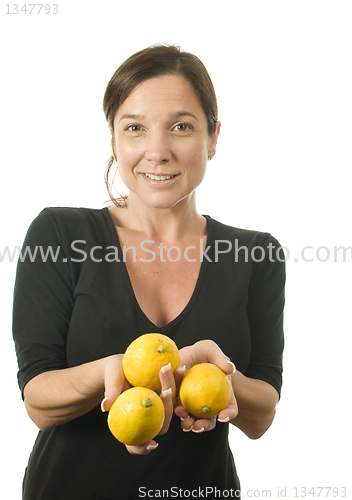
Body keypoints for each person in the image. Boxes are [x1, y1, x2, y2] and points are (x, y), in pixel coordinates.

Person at [12, 44, 285, 499]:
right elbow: (38, 402)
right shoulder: (60, 233)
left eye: (181, 127)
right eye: (135, 128)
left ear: (213, 137)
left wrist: (214, 372)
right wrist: (111, 371)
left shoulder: (255, 254)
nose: (157, 152)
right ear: (115, 141)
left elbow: (262, 416)